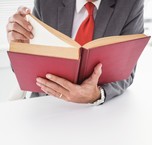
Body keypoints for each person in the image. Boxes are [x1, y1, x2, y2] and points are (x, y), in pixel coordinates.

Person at [6, 0, 144, 105]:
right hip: (46, 105)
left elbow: (126, 72)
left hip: (96, 112)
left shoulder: (130, 4)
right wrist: (20, 47)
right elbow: (27, 68)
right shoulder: (46, 3)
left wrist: (96, 94)